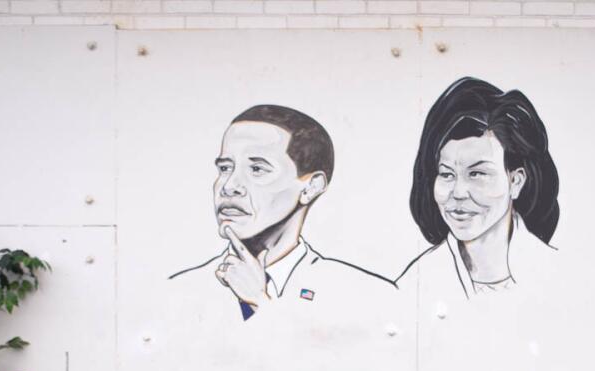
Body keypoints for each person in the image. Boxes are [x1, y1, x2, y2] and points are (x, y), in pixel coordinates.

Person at [170, 104, 393, 320]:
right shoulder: (180, 291)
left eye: (257, 169)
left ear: (311, 187)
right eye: (225, 168)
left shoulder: (362, 293)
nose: (229, 186)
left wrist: (260, 304)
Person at [396, 77, 560, 299]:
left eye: (477, 174)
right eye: (446, 174)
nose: (459, 193)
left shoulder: (559, 275)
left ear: (516, 181)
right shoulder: (413, 284)